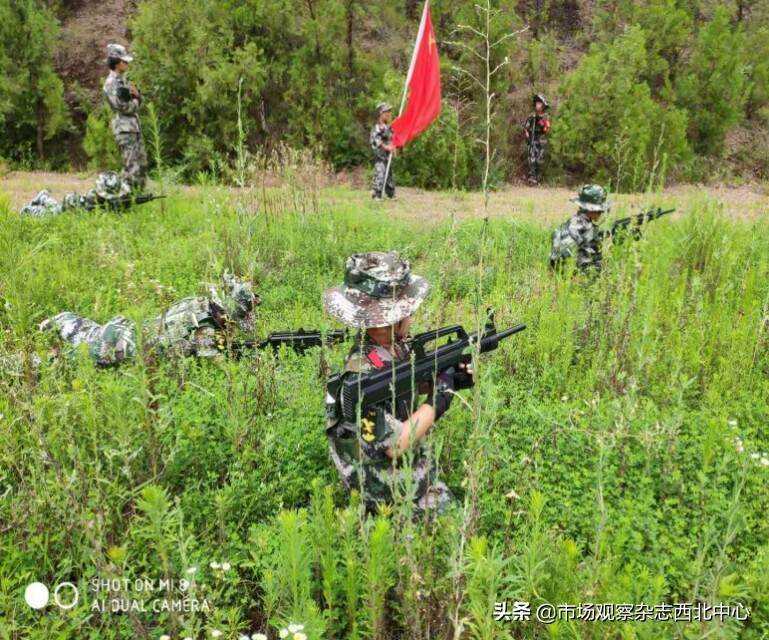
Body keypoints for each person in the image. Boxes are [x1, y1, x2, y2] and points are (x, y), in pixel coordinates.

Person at [323, 251, 471, 515]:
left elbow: (402, 386)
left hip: (391, 455)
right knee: (456, 518)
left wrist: (445, 377)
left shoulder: (387, 348)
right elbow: (396, 445)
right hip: (379, 481)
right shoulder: (361, 379)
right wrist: (441, 396)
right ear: (395, 318)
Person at [39, 272, 259, 367]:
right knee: (60, 363)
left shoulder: (199, 304)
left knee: (90, 333)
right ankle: (20, 364)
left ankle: (63, 320)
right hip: (121, 346)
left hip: (127, 330)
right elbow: (220, 363)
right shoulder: (205, 331)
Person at [104, 43, 148, 193]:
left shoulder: (123, 81)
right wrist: (136, 99)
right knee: (131, 166)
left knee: (141, 165)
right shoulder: (111, 84)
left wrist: (137, 96)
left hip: (133, 127)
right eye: (124, 61)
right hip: (124, 129)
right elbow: (124, 107)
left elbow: (138, 103)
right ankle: (125, 198)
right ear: (116, 63)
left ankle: (137, 195)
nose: (127, 63)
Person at [550, 184, 611, 274]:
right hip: (573, 274)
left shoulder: (576, 220)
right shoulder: (583, 227)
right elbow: (595, 251)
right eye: (599, 211)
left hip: (561, 269)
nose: (601, 213)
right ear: (591, 210)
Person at [371, 103, 396, 200]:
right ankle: (377, 194)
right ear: (381, 113)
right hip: (380, 157)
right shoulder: (377, 127)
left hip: (388, 157)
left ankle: (391, 194)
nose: (389, 115)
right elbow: (377, 142)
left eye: (389, 112)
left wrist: (393, 148)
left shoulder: (389, 128)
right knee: (380, 175)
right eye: (387, 112)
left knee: (389, 176)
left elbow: (393, 139)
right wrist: (387, 147)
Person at [523, 94, 550, 185]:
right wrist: (527, 137)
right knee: (532, 159)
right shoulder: (532, 116)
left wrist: (541, 122)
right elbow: (526, 128)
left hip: (541, 141)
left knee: (540, 160)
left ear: (543, 105)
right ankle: (532, 178)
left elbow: (546, 129)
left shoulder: (546, 117)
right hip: (532, 140)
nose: (538, 105)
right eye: (537, 103)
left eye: (540, 103)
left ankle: (539, 178)